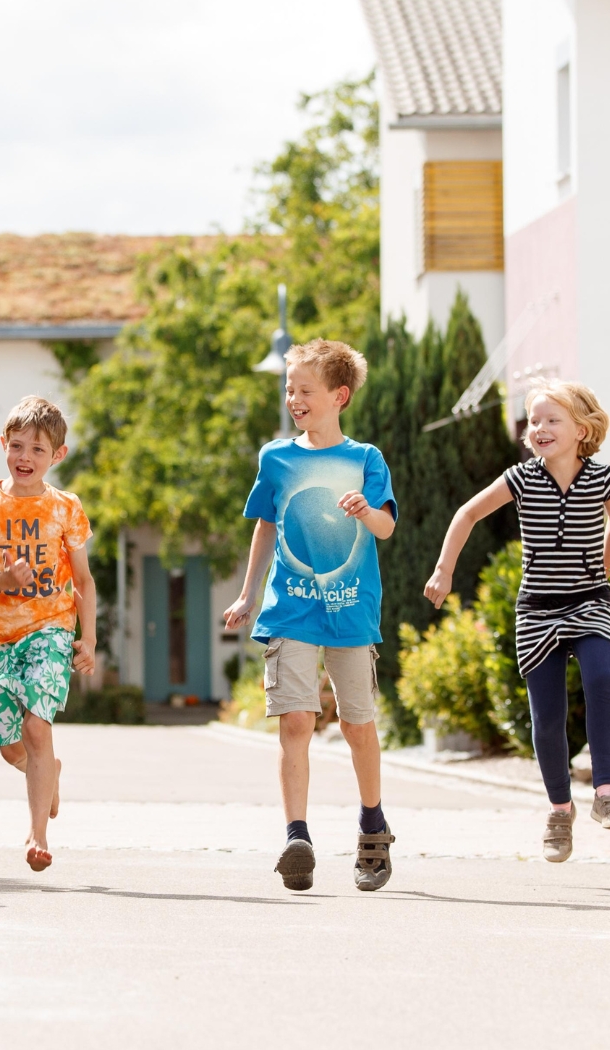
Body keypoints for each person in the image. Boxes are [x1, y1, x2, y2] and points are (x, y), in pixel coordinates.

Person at [424, 378, 610, 865]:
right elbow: (467, 514)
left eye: (551, 419)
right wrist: (444, 569)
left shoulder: (604, 479)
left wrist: (608, 562)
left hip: (591, 601)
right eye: (533, 421)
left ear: (582, 429)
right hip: (537, 608)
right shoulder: (521, 478)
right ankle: (560, 811)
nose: (538, 428)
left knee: (603, 679)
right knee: (548, 714)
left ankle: (607, 792)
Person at [225, 339, 400, 892]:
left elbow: (387, 529)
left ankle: (372, 825)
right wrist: (248, 592)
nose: (293, 398)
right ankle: (296, 835)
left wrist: (366, 510)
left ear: (338, 396)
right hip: (291, 610)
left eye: (305, 389)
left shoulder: (365, 459)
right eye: (289, 389)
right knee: (296, 720)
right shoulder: (276, 458)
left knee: (357, 725)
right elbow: (265, 525)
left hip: (350, 612)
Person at [0, 395, 97, 873]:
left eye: (38, 450)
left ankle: (37, 836)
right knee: (12, 746)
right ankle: (48, 771)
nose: (25, 458)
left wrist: (89, 640)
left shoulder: (66, 508)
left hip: (50, 628)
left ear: (57, 455)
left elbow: (83, 580)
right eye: (17, 446)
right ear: (3, 444)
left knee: (38, 727)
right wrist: (1, 582)